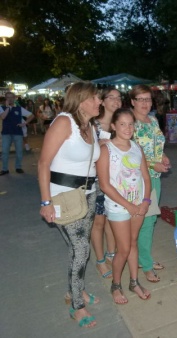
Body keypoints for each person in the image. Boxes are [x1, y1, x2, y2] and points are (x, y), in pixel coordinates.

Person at [38, 81, 101, 328]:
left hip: (88, 194)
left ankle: (77, 290)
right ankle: (77, 304)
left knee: (78, 251)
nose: (99, 102)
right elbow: (43, 163)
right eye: (95, 98)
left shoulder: (90, 125)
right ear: (81, 100)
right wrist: (46, 202)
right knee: (81, 250)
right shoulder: (64, 122)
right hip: (63, 197)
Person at [97, 108, 152, 304]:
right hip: (119, 207)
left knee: (133, 244)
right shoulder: (106, 150)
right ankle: (116, 284)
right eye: (122, 124)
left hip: (138, 206)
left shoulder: (137, 148)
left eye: (131, 124)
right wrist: (129, 205)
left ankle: (134, 282)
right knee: (123, 249)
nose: (128, 128)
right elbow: (104, 185)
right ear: (113, 126)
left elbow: (146, 177)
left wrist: (146, 201)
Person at [131, 84, 171, 283]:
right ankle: (145, 265)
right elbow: (128, 156)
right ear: (132, 102)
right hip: (138, 180)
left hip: (154, 178)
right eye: (141, 99)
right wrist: (152, 165)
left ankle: (143, 258)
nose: (145, 103)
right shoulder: (130, 124)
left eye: (148, 99)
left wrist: (162, 157)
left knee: (151, 220)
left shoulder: (153, 120)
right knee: (145, 222)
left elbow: (157, 145)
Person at [91, 87, 122, 279]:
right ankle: (100, 261)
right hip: (96, 179)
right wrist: (98, 146)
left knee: (113, 219)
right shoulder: (92, 124)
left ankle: (111, 254)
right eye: (112, 97)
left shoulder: (121, 122)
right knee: (99, 222)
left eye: (119, 98)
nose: (117, 101)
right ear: (102, 101)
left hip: (117, 178)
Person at [0, 92, 34, 175]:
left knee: (19, 151)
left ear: (14, 98)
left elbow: (31, 115)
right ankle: (5, 169)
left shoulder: (19, 108)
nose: (10, 99)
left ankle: (18, 167)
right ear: (5, 98)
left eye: (11, 97)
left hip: (17, 133)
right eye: (8, 97)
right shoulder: (2, 107)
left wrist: (24, 123)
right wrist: (8, 107)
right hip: (6, 133)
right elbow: (3, 117)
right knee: (5, 152)